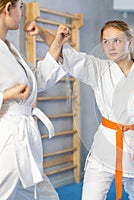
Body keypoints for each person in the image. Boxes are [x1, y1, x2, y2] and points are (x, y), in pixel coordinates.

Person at [39, 20, 134, 200]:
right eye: (106, 41)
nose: (111, 47)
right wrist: (42, 32)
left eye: (117, 41)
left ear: (130, 42)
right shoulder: (98, 68)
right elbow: (68, 55)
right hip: (105, 143)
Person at [0, 0, 70, 199]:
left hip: (24, 140)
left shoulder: (9, 48)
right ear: (8, 8)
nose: (22, 12)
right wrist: (7, 95)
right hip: (8, 140)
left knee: (45, 196)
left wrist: (57, 43)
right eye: (20, 6)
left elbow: (37, 79)